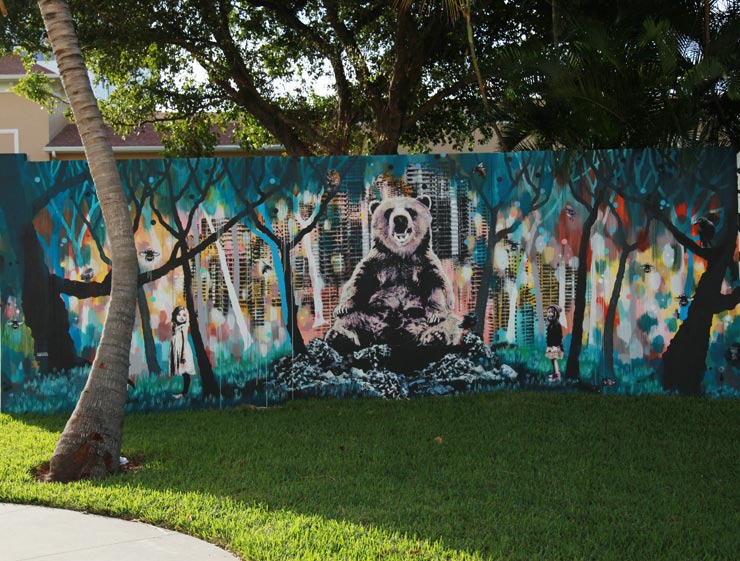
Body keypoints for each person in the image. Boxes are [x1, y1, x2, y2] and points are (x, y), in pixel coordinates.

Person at [169, 306, 195, 398]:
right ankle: (184, 392)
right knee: (183, 372)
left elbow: (184, 340)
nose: (181, 317)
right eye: (179, 314)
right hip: (179, 350)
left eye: (184, 315)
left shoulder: (183, 327)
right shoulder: (176, 327)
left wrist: (182, 356)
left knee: (185, 372)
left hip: (183, 352)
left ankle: (184, 393)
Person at [545, 305, 564, 382]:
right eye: (548, 312)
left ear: (555, 313)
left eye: (551, 312)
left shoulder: (556, 324)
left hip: (556, 346)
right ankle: (555, 374)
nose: (549, 314)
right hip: (551, 345)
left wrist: (556, 346)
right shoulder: (551, 323)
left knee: (554, 360)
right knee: (552, 360)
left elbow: (559, 336)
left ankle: (557, 375)